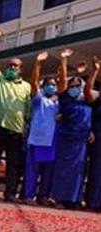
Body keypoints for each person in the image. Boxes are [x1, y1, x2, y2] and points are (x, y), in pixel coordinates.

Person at [0, 29, 31, 202]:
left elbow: (28, 108)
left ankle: (10, 193)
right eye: (10, 65)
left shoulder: (26, 87)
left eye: (15, 66)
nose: (12, 68)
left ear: (20, 69)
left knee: (14, 163)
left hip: (17, 130)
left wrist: (26, 126)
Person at [51, 49, 94, 209]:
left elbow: (88, 118)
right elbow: (62, 79)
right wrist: (64, 60)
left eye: (77, 86)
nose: (74, 87)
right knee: (63, 169)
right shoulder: (65, 99)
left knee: (78, 171)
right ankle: (60, 199)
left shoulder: (86, 100)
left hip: (82, 141)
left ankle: (74, 200)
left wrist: (90, 131)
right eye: (72, 86)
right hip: (66, 139)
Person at [23, 51, 60, 205]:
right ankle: (29, 196)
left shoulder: (59, 102)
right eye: (48, 84)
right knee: (32, 170)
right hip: (37, 139)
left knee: (48, 171)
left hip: (52, 140)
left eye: (54, 84)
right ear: (43, 87)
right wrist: (38, 64)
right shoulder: (39, 99)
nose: (51, 87)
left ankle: (43, 196)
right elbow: (33, 83)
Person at [85, 56, 101, 211]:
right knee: (96, 172)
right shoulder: (98, 96)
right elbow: (87, 91)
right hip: (98, 140)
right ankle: (93, 203)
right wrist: (95, 71)